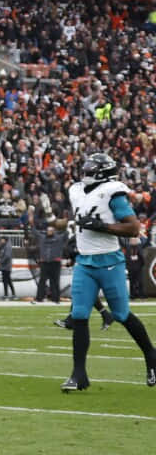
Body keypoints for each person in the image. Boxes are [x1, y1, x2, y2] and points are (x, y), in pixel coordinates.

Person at [60, 153, 156, 391]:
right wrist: (73, 242)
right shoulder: (76, 191)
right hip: (85, 262)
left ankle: (151, 356)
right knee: (80, 315)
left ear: (102, 172)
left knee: (122, 314)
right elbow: (79, 221)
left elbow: (134, 228)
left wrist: (104, 226)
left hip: (110, 263)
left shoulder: (113, 191)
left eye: (90, 170)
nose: (85, 174)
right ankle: (79, 374)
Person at [0, 234, 14, 300]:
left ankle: (6, 294)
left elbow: (7, 256)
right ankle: (12, 294)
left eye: (2, 239)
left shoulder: (7, 247)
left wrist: (1, 262)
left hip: (6, 267)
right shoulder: (4, 246)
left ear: (5, 240)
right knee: (8, 280)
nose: (1, 241)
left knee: (6, 281)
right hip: (5, 266)